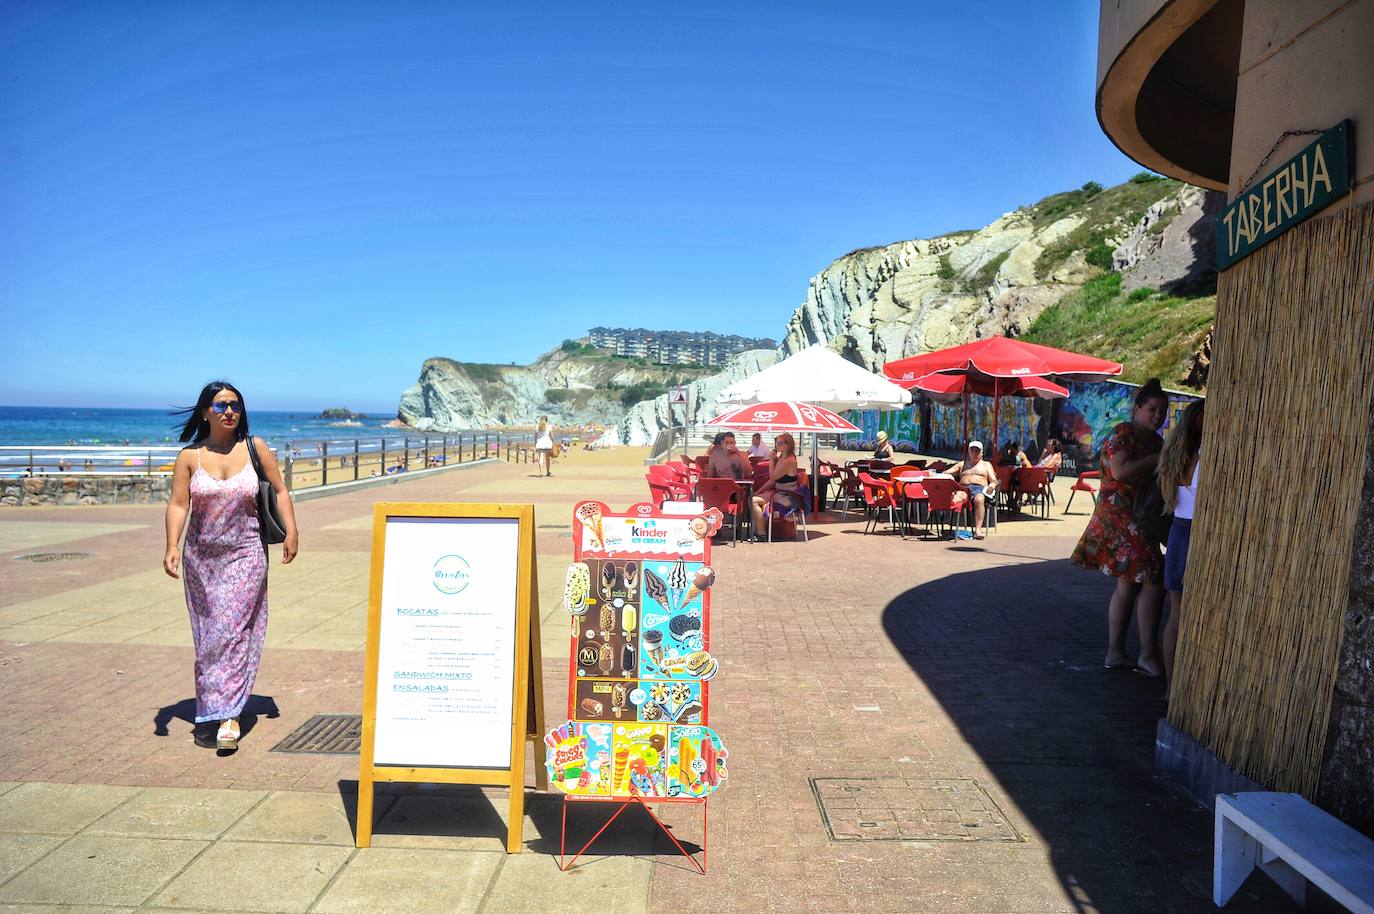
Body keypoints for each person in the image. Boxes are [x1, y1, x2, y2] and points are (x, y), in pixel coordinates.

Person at [163, 381, 298, 752]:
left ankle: (229, 716)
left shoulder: (255, 448)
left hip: (246, 553)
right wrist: (172, 545)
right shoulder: (189, 457)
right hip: (202, 560)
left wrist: (292, 530)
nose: (229, 412)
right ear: (205, 411)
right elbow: (178, 505)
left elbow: (280, 489)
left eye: (235, 406)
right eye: (221, 405)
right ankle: (210, 708)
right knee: (209, 639)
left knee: (231, 632)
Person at [1071, 378, 1169, 677]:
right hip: (1120, 517)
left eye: (1162, 411)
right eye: (1152, 409)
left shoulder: (1156, 441)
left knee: (1129, 584)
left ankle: (1116, 652)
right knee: (1154, 577)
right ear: (1137, 408)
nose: (1157, 416)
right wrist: (1154, 460)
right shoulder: (1123, 433)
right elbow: (1120, 471)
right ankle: (1147, 655)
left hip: (1138, 518)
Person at [1158, 399, 1204, 699]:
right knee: (1192, 613)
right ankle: (1183, 686)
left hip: (1177, 530)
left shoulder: (1173, 455)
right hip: (1196, 535)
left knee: (1175, 613)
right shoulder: (1206, 456)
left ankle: (1170, 686)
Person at [945, 440, 997, 540]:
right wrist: (940, 474)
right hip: (963, 488)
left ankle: (978, 530)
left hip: (979, 489)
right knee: (956, 498)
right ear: (969, 451)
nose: (974, 453)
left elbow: (994, 480)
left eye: (977, 451)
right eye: (972, 450)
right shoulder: (962, 464)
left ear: (981, 452)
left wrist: (992, 485)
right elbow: (948, 472)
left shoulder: (986, 465)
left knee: (979, 499)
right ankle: (952, 527)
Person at [751, 433, 801, 536]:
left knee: (753, 501)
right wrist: (758, 491)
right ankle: (760, 530)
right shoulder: (782, 458)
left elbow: (772, 477)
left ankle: (761, 532)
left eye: (779, 443)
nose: (776, 446)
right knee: (753, 498)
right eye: (776, 443)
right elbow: (772, 481)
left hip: (786, 496)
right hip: (779, 493)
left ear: (788, 445)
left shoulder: (789, 461)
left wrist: (771, 460)